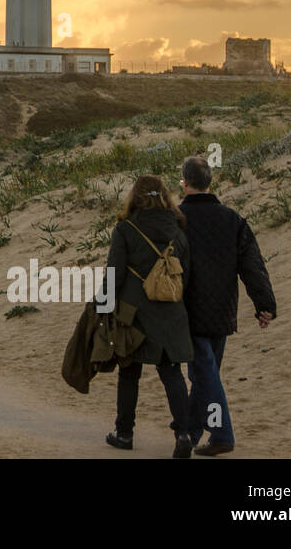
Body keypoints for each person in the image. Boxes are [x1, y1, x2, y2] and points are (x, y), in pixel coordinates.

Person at [179, 156, 277, 456]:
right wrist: (265, 303)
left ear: (184, 183)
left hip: (189, 308)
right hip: (222, 308)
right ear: (211, 182)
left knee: (204, 373)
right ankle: (193, 433)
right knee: (204, 373)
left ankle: (221, 434)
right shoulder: (232, 219)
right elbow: (253, 266)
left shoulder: (177, 218)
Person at [105, 175, 194, 459]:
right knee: (171, 373)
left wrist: (102, 306)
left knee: (129, 373)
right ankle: (183, 434)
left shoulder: (126, 229)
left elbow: (114, 274)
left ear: (135, 196)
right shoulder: (178, 230)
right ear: (165, 196)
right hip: (171, 310)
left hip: (135, 312)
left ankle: (124, 433)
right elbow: (186, 274)